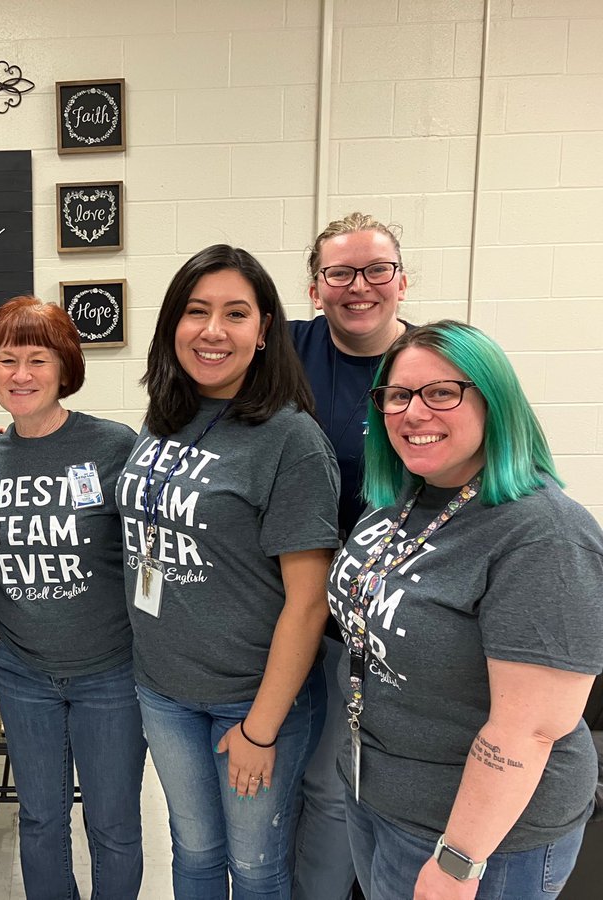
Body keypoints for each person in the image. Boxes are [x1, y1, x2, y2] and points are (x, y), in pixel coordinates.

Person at [329, 320, 603, 899]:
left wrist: (458, 862)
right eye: (399, 395)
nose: (414, 413)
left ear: (493, 401)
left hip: (480, 838)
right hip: (378, 796)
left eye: (442, 392)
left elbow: (527, 730)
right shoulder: (401, 501)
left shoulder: (546, 535)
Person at [116, 245, 339, 898]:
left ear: (265, 329)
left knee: (257, 865)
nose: (213, 331)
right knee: (194, 853)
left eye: (235, 313)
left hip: (250, 700)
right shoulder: (168, 418)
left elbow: (308, 603)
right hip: (163, 688)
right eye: (196, 311)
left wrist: (261, 728)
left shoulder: (290, 441)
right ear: (173, 325)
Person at [0, 296, 146, 900]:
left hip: (110, 673)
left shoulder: (113, 446)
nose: (21, 375)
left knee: (114, 825)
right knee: (42, 820)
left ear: (64, 367)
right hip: (23, 673)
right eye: (7, 360)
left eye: (38, 360)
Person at [290, 212, 410, 900]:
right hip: (286, 603)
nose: (358, 286)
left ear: (401, 280)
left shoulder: (431, 361)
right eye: (340, 272)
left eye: (376, 270)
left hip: (372, 619)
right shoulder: (287, 351)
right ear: (316, 287)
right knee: (282, 774)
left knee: (336, 784)